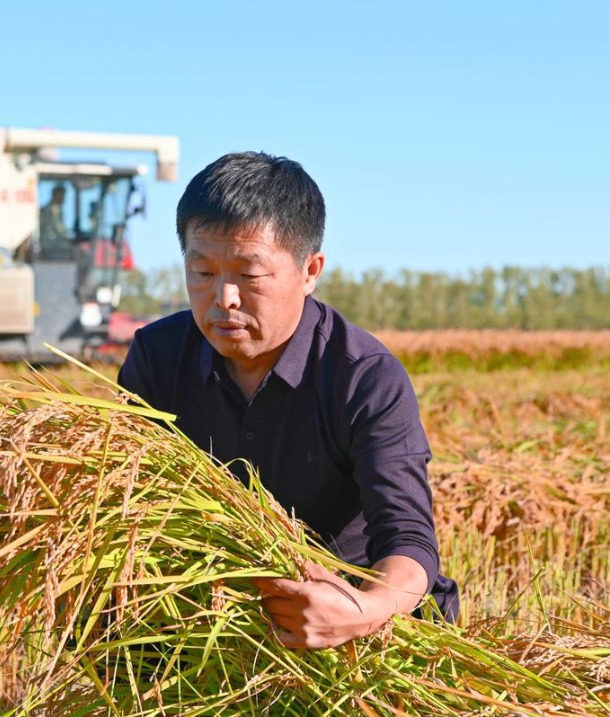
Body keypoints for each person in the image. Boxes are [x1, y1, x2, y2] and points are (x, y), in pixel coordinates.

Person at [118, 151, 459, 649]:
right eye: (203, 272)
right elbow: (130, 501)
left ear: (310, 270)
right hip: (206, 616)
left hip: (345, 606)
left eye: (249, 275)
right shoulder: (157, 357)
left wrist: (363, 610)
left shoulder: (363, 376)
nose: (224, 298)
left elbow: (407, 538)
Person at [39, 185, 73, 259]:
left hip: (58, 247)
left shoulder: (59, 212)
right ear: (56, 195)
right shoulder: (45, 212)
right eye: (62, 195)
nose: (64, 198)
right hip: (50, 249)